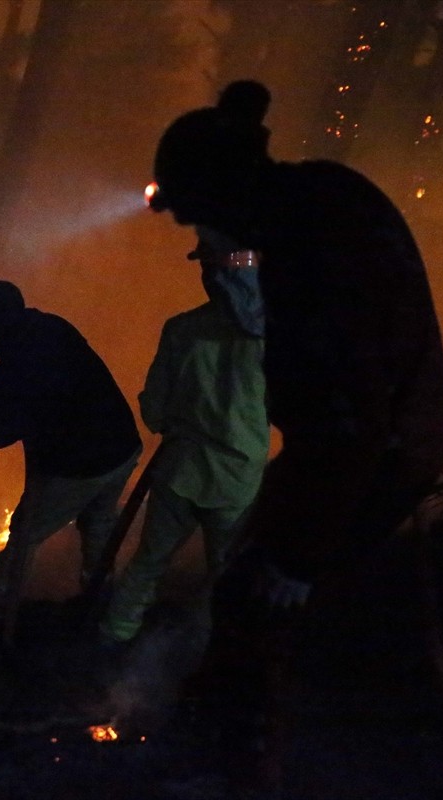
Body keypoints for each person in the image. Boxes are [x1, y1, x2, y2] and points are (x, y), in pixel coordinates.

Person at [147, 80, 443, 795]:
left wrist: (301, 554)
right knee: (245, 583)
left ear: (224, 191)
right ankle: (215, 720)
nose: (197, 234)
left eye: (199, 216)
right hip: (370, 440)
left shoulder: (310, 240)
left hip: (371, 453)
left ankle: (248, 766)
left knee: (265, 597)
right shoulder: (314, 201)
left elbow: (350, 415)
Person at [0, 279, 142, 644]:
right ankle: (99, 600)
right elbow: (17, 378)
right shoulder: (49, 327)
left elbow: (1, 433)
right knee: (98, 524)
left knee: (24, 536)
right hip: (121, 448)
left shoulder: (25, 359)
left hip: (81, 464)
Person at [99, 226, 268, 646]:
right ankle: (218, 651)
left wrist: (173, 423)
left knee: (148, 562)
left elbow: (154, 408)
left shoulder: (181, 329)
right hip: (238, 481)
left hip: (180, 473)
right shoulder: (276, 338)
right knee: (226, 574)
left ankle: (113, 637)